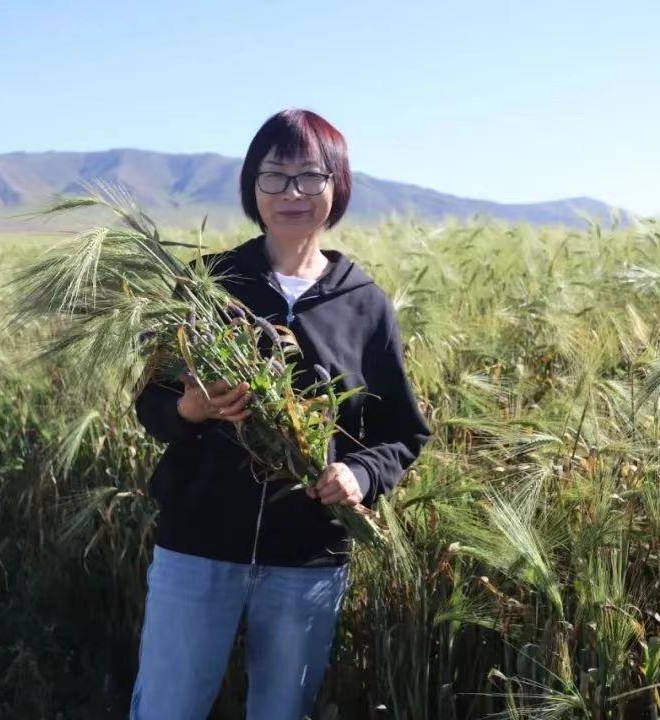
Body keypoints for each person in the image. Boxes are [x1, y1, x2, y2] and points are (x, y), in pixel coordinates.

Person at [130, 108, 431, 720]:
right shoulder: (209, 283)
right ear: (252, 187)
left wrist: (360, 476)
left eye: (310, 177)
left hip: (307, 560)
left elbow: (401, 431)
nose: (292, 193)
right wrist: (189, 407)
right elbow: (150, 404)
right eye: (275, 177)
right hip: (199, 547)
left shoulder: (364, 304)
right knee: (167, 707)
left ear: (336, 186)